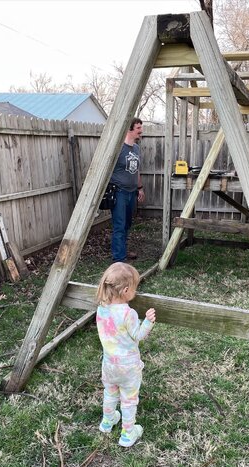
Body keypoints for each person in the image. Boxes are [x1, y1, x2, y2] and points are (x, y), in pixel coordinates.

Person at [96, 262, 156, 447]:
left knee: (110, 392)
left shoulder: (101, 309)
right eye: (135, 289)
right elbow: (138, 335)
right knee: (129, 400)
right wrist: (147, 322)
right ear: (126, 290)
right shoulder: (128, 313)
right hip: (128, 367)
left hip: (109, 364)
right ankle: (128, 434)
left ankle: (107, 422)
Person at [109, 117, 145, 262]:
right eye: (138, 128)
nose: (141, 131)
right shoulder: (118, 148)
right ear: (129, 129)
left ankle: (122, 250)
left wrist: (140, 188)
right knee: (119, 224)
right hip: (119, 192)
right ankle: (119, 259)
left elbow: (136, 170)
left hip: (132, 192)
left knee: (127, 223)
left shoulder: (136, 148)